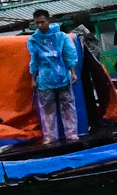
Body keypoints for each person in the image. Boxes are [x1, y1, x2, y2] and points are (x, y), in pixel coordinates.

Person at [28, 8, 83, 144]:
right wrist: (33, 79)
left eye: (42, 22)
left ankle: (71, 133)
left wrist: (73, 72)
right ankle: (50, 136)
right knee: (47, 109)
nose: (40, 25)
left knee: (68, 106)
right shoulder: (34, 40)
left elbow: (69, 54)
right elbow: (34, 61)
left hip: (62, 76)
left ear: (48, 20)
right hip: (45, 79)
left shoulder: (61, 37)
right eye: (37, 23)